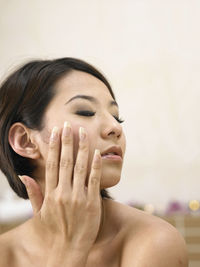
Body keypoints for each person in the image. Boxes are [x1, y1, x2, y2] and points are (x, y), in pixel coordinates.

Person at [0, 57, 188, 267]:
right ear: (25, 141)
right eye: (85, 112)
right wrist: (68, 248)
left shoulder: (153, 241)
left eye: (117, 117)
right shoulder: (5, 253)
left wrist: (70, 249)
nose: (115, 128)